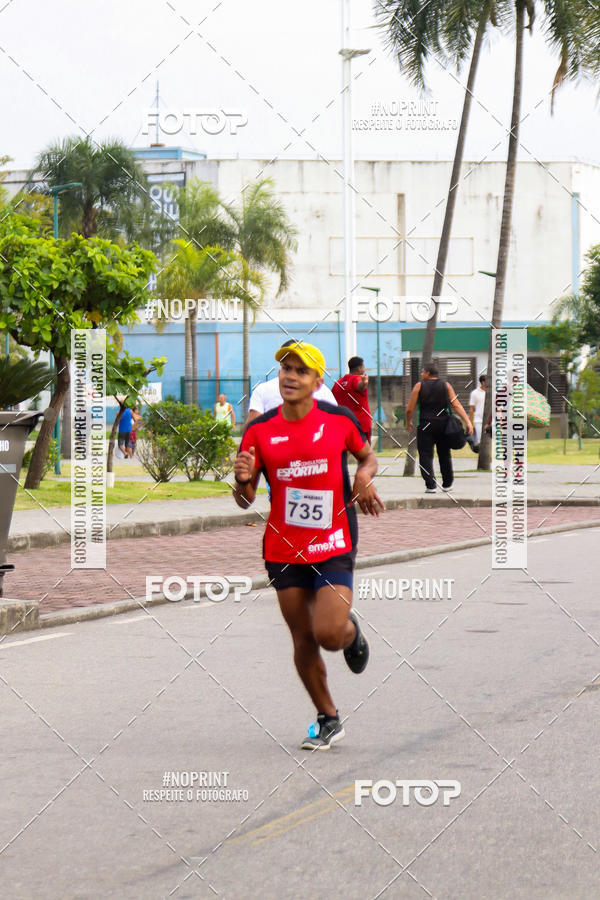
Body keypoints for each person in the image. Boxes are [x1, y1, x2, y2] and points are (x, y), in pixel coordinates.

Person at [234, 341, 385, 750]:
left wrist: (363, 477)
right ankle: (328, 717)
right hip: (284, 548)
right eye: (285, 368)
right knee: (302, 636)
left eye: (301, 371)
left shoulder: (338, 419)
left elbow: (367, 457)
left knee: (328, 633)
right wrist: (242, 479)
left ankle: (351, 635)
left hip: (333, 540)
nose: (290, 376)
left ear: (317, 381)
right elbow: (245, 498)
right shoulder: (259, 430)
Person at [405, 364, 473, 493]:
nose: (421, 373)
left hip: (425, 425)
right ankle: (447, 484)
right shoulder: (446, 386)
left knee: (425, 455)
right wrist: (467, 421)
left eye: (422, 371)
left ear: (428, 373)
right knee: (444, 454)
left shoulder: (419, 386)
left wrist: (408, 422)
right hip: (443, 425)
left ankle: (430, 485)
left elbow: (409, 409)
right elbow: (456, 404)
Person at [247, 339, 337, 424]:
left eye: (301, 371)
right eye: (287, 368)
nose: (292, 377)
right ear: (279, 371)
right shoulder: (262, 390)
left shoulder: (262, 389)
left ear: (317, 383)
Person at [332, 357, 372, 444]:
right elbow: (359, 386)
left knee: (345, 454)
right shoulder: (356, 379)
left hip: (343, 425)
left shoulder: (337, 383)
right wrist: (364, 384)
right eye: (363, 367)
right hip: (361, 425)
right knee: (365, 455)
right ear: (359, 368)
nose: (364, 370)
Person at [468, 374, 487, 449]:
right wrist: (470, 423)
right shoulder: (475, 393)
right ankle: (482, 458)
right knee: (480, 441)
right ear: (483, 382)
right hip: (478, 420)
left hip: (491, 421)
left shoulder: (492, 392)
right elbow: (471, 409)